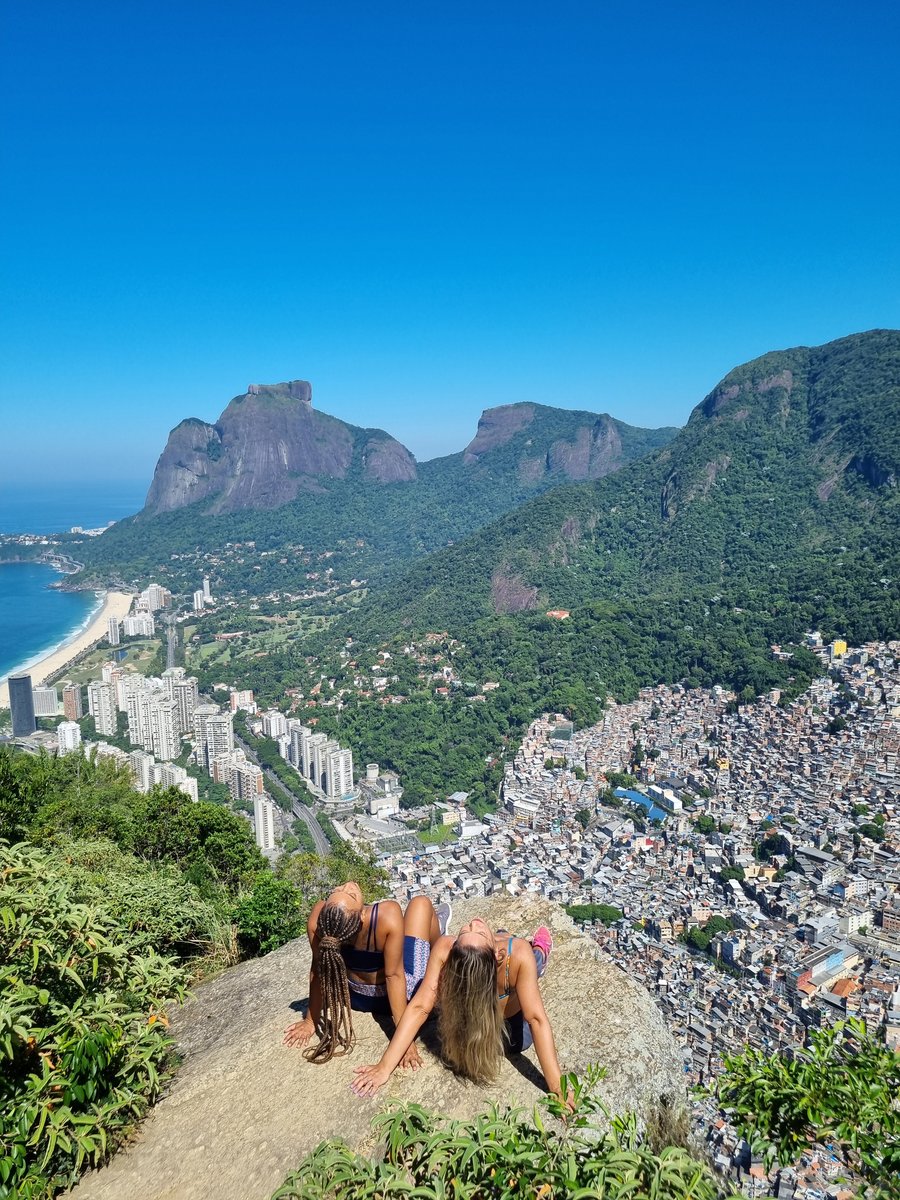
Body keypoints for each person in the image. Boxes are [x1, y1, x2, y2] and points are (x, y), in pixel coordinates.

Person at [350, 918, 565, 1099]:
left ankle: (539, 951)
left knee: (529, 959)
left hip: (508, 1011)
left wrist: (557, 1089)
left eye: (474, 931)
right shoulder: (446, 948)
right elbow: (420, 1007)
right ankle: (509, 940)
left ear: (497, 957)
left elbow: (536, 1018)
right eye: (469, 930)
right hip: (496, 1025)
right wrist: (384, 1067)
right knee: (520, 1037)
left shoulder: (515, 954)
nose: (473, 922)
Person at [283, 883, 450, 1067]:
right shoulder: (386, 913)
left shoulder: (318, 919)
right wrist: (405, 1042)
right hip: (396, 999)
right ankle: (439, 948)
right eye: (347, 894)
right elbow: (394, 977)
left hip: (356, 998)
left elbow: (318, 969)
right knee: (421, 904)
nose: (347, 885)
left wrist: (310, 1020)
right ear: (362, 915)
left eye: (341, 890)